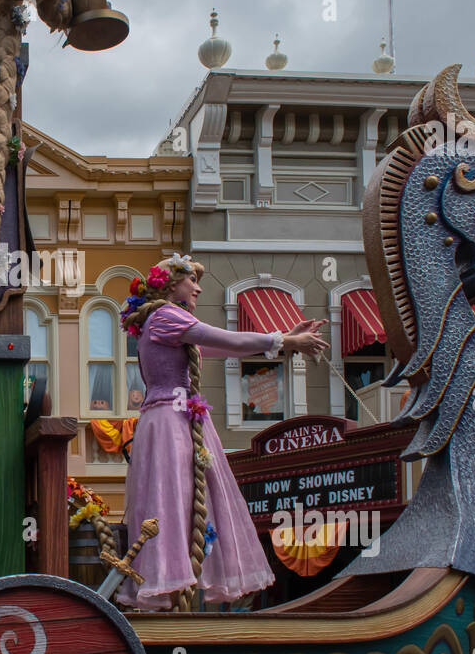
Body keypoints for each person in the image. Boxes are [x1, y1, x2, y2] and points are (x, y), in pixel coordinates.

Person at [115, 254, 327, 610]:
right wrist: (285, 343)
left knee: (179, 499)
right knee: (174, 499)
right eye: (192, 281)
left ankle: (173, 584)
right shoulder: (167, 315)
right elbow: (225, 338)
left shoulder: (165, 321)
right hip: (172, 419)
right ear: (170, 285)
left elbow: (216, 344)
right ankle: (172, 585)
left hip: (175, 417)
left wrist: (280, 339)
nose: (197, 287)